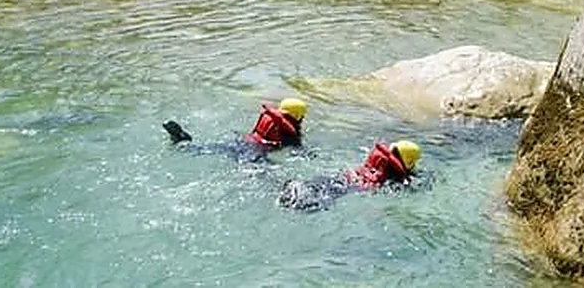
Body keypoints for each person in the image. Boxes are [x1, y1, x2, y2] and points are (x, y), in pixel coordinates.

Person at [277, 140, 423, 212]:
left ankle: (298, 188)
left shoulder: (378, 163)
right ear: (409, 161)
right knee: (318, 202)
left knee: (322, 185)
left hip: (344, 177)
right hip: (351, 188)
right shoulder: (395, 178)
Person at [163, 98, 309, 161]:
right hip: (255, 153)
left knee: (213, 149)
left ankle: (184, 142)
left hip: (243, 142)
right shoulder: (289, 132)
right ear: (298, 117)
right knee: (267, 175)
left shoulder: (271, 118)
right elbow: (298, 150)